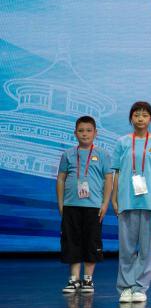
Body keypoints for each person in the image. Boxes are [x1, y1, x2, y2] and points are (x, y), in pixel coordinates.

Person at [112, 102, 151, 304]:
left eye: (144, 115)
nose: (140, 118)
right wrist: (114, 198)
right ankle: (126, 287)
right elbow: (117, 172)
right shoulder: (122, 142)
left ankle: (140, 287)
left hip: (149, 200)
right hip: (126, 199)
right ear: (131, 118)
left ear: (150, 119)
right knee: (126, 247)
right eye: (136, 115)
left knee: (147, 248)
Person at [56, 116, 113, 295]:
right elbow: (61, 179)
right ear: (75, 133)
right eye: (81, 131)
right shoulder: (68, 154)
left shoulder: (103, 155)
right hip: (71, 205)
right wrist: (61, 203)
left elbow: (109, 179)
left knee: (91, 241)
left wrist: (105, 203)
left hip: (94, 206)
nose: (85, 134)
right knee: (71, 240)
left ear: (96, 133)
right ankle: (74, 279)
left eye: (89, 130)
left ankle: (88, 279)